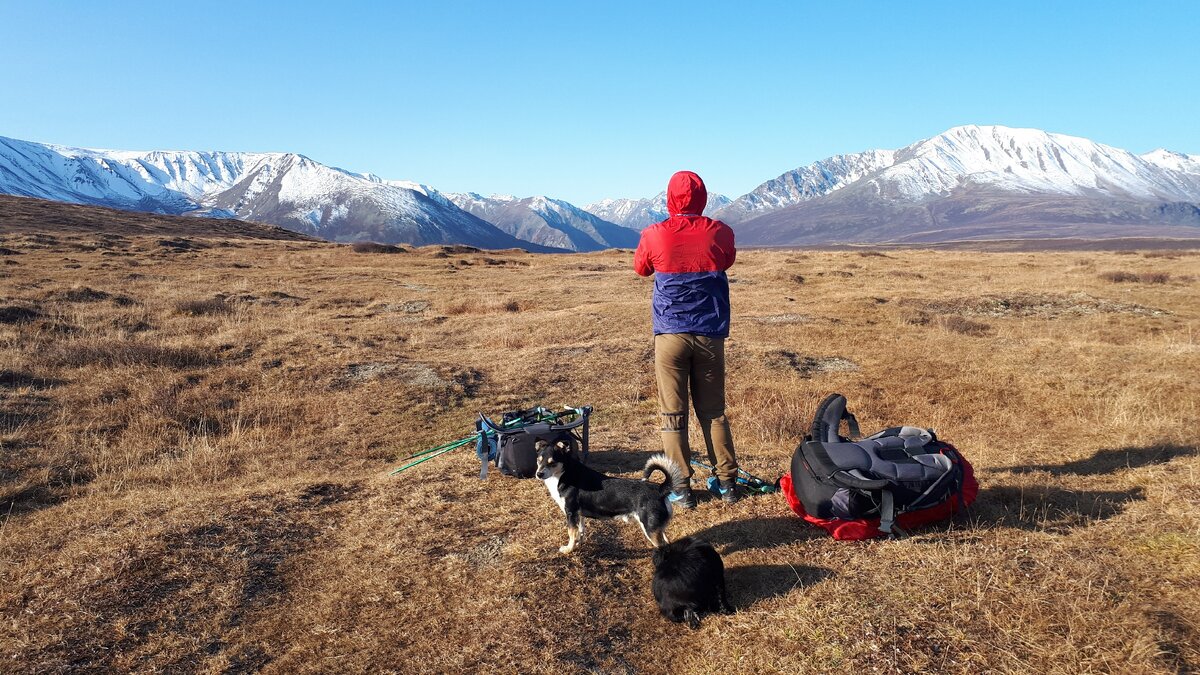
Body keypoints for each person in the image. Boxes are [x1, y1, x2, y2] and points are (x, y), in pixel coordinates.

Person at [633, 170, 740, 507]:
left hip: (669, 336)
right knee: (713, 413)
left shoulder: (654, 234)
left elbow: (641, 269)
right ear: (703, 197)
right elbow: (727, 260)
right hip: (709, 334)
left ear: (669, 198)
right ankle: (726, 484)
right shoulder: (720, 232)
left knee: (672, 414)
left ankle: (680, 489)